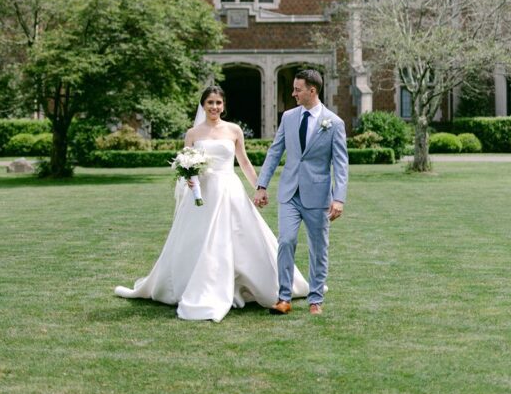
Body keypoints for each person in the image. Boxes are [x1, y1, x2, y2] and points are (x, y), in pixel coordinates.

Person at [114, 85, 308, 322]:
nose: (214, 107)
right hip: (203, 195)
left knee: (243, 238)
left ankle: (251, 284)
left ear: (224, 105)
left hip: (229, 190)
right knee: (200, 240)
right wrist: (189, 180)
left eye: (218, 103)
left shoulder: (234, 130)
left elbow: (244, 162)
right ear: (203, 106)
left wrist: (259, 187)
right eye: (210, 103)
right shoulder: (193, 134)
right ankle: (197, 285)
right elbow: (186, 165)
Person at [254, 68, 348, 316]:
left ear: (312, 91)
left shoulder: (334, 123)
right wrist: (262, 185)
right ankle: (283, 298)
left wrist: (338, 198)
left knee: (319, 248)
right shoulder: (288, 117)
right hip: (289, 193)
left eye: (297, 89)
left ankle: (315, 299)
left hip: (318, 197)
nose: (293, 93)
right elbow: (275, 151)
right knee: (285, 241)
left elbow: (340, 165)